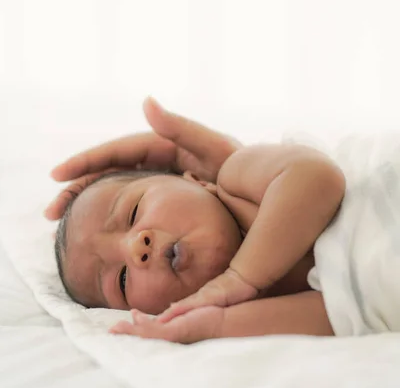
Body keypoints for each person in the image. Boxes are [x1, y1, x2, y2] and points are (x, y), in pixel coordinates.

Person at [47, 97, 346, 344]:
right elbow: (344, 314)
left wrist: (242, 277)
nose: (135, 248)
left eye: (134, 211)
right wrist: (214, 325)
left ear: (198, 182)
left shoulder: (238, 180)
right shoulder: (253, 305)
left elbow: (319, 177)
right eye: (122, 280)